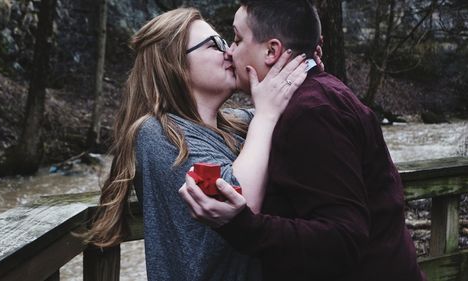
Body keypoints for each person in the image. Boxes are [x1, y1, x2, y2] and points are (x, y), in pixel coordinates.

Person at [179, 1, 426, 280]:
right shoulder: (313, 98)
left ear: (271, 50)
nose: (230, 51)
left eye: (236, 39)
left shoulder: (312, 112)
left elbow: (343, 239)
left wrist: (243, 226)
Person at [86, 7, 311, 281]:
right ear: (175, 64)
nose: (229, 52)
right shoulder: (157, 133)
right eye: (214, 45)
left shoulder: (236, 124)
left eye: (228, 42)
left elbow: (283, 102)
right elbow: (238, 202)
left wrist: (299, 64)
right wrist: (266, 115)